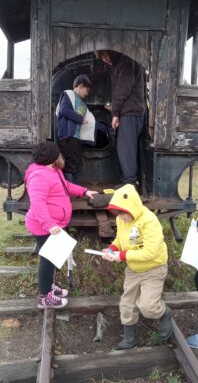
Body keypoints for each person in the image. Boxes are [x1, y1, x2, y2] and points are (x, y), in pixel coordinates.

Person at [25, 141, 97, 309]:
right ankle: (44, 296)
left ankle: (49, 287)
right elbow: (37, 204)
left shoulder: (53, 171)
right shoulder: (39, 176)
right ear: (52, 157)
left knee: (54, 257)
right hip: (44, 226)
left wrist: (84, 191)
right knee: (48, 260)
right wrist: (49, 224)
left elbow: (66, 186)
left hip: (54, 224)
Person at [102, 184, 172, 349]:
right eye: (117, 212)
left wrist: (121, 256)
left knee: (148, 307)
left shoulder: (149, 221)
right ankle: (130, 339)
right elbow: (120, 239)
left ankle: (164, 313)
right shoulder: (121, 219)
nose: (119, 216)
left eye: (122, 212)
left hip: (154, 268)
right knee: (127, 304)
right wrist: (112, 249)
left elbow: (150, 252)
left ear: (132, 207)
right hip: (133, 268)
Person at [97, 50, 145, 186]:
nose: (105, 60)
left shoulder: (127, 62)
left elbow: (122, 90)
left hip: (130, 114)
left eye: (106, 55)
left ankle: (129, 184)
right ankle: (127, 181)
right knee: (125, 148)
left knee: (126, 149)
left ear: (113, 52)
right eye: (102, 58)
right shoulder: (121, 64)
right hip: (130, 112)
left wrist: (115, 113)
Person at [56, 74, 107, 182]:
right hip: (67, 136)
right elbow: (64, 110)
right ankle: (69, 190)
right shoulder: (68, 94)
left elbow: (91, 122)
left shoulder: (83, 105)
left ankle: (72, 187)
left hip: (76, 138)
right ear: (80, 85)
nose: (87, 93)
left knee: (74, 163)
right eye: (86, 90)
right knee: (69, 164)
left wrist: (105, 128)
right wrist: (80, 119)